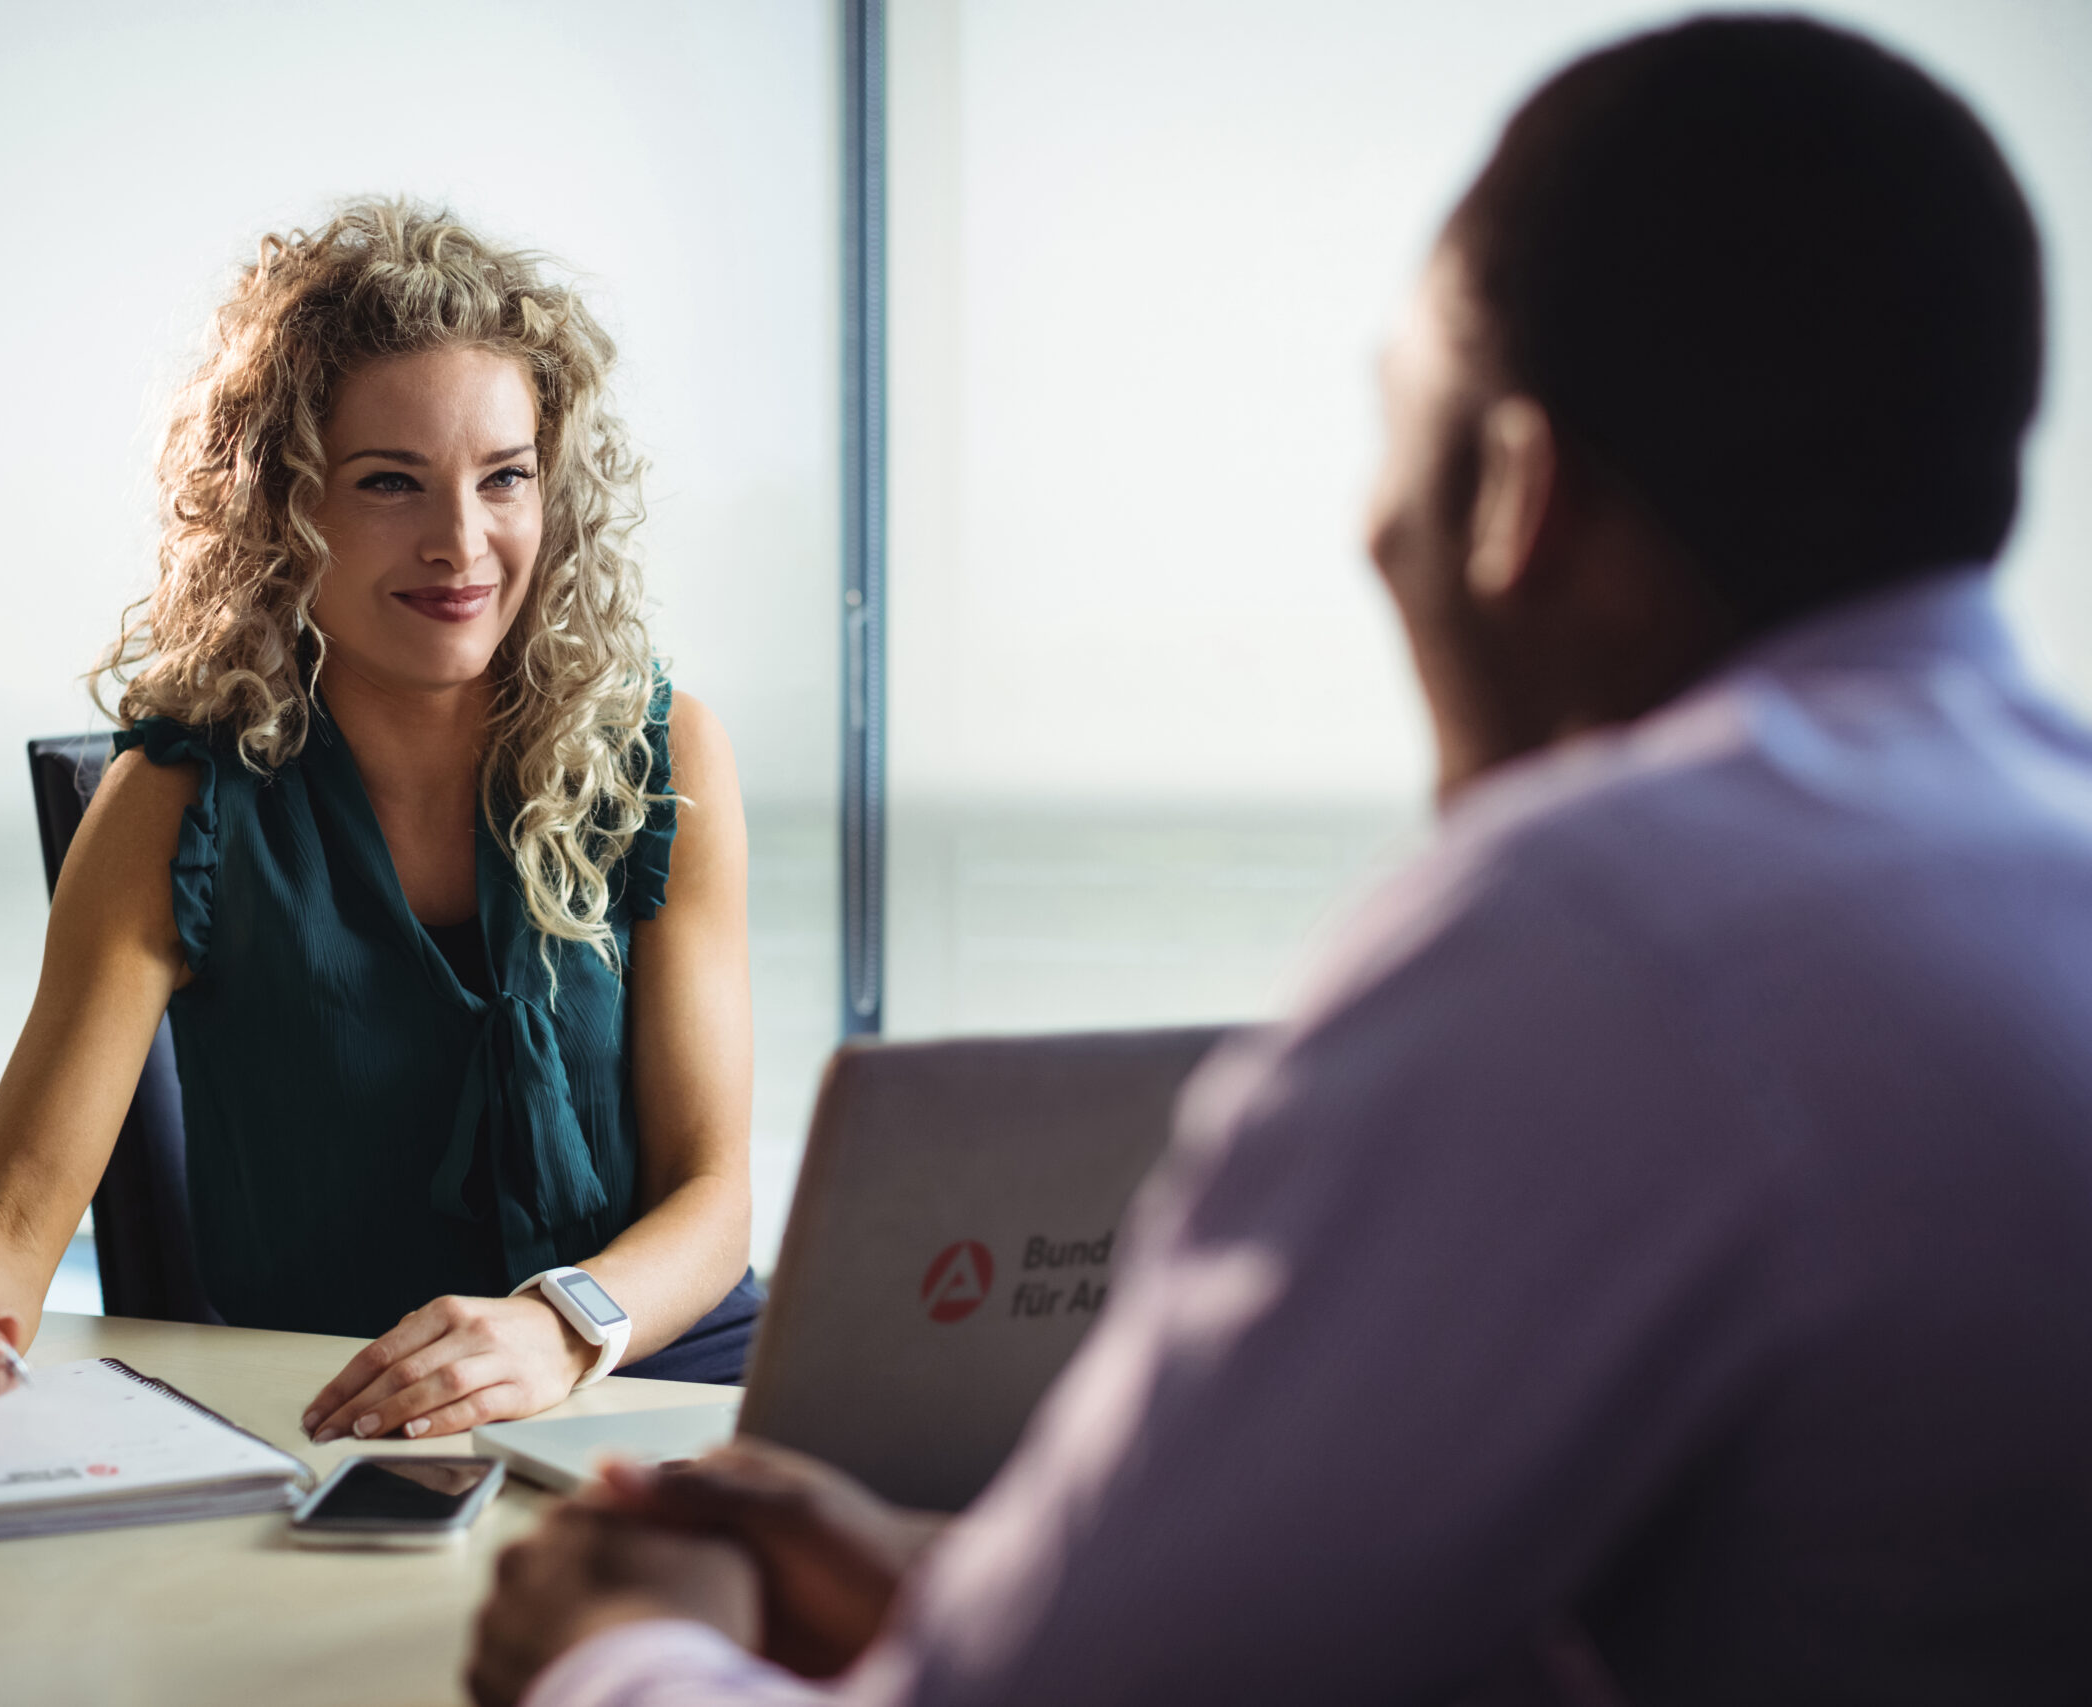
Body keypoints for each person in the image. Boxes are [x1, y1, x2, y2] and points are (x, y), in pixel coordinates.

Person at [468, 17, 2092, 1704]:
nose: (1368, 527)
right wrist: (967, 1593)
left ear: (1511, 489)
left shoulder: (1599, 934)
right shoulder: (2031, 855)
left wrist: (616, 1652)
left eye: (1396, 420)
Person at [0, 202, 760, 1455]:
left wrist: (555, 1329)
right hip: (341, 1419)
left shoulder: (662, 754)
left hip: (650, 1375)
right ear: (284, 509)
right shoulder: (174, 803)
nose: (461, 545)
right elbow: (7, 1222)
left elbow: (714, 1202)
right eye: (390, 483)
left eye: (504, 477)